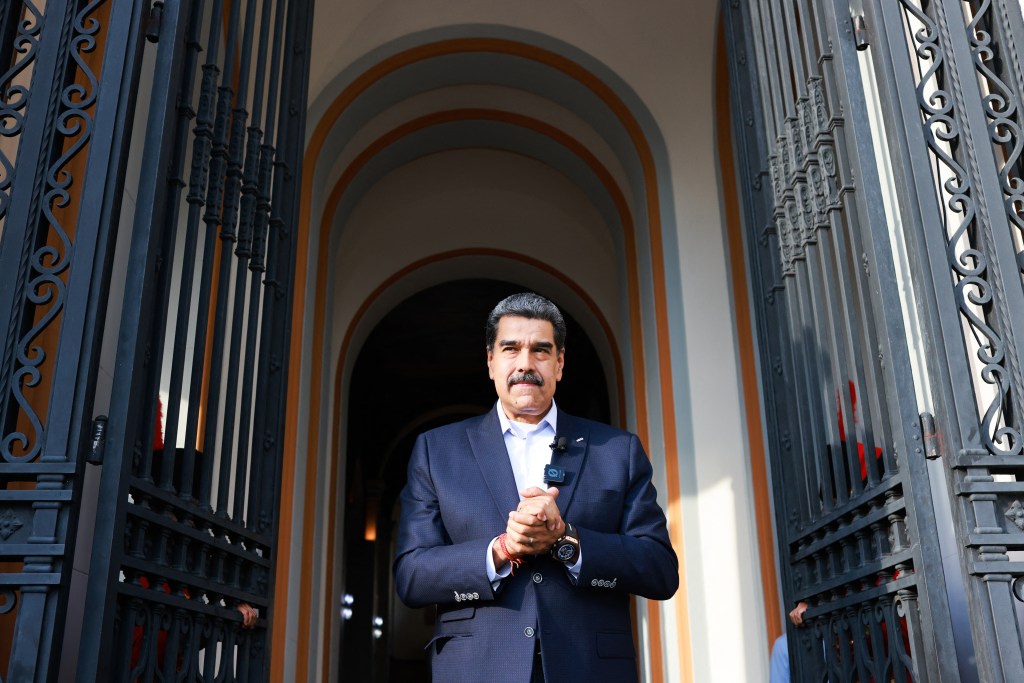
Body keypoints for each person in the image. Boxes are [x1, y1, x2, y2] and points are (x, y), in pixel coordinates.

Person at [393, 292, 678, 683]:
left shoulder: (617, 451)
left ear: (560, 363)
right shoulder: (437, 451)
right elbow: (411, 576)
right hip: (477, 669)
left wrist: (568, 540)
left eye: (541, 351)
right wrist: (501, 550)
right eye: (511, 348)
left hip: (591, 669)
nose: (525, 364)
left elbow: (660, 571)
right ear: (490, 360)